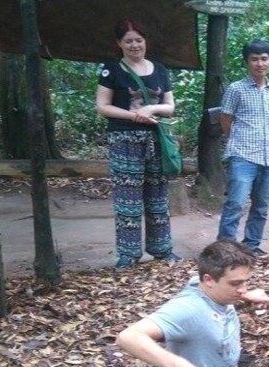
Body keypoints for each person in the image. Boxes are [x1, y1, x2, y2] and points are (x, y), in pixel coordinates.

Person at [116, 240, 269, 367]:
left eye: (246, 282)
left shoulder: (201, 284)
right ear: (209, 280)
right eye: (235, 284)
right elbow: (128, 337)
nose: (242, 289)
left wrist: (247, 296)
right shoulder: (189, 309)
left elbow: (202, 280)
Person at [96, 19, 180, 269]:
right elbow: (102, 106)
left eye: (139, 40)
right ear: (119, 44)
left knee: (157, 196)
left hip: (156, 139)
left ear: (146, 42)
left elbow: (170, 106)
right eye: (129, 40)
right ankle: (128, 254)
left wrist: (152, 107)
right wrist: (134, 115)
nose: (134, 45)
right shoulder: (111, 70)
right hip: (124, 139)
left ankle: (162, 249)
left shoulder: (160, 70)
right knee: (127, 198)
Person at [217, 40, 269, 257]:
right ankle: (226, 248)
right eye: (254, 59)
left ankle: (251, 245)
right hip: (243, 155)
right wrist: (235, 140)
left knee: (261, 205)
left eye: (264, 58)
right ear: (247, 62)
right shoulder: (236, 89)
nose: (260, 63)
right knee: (236, 203)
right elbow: (225, 118)